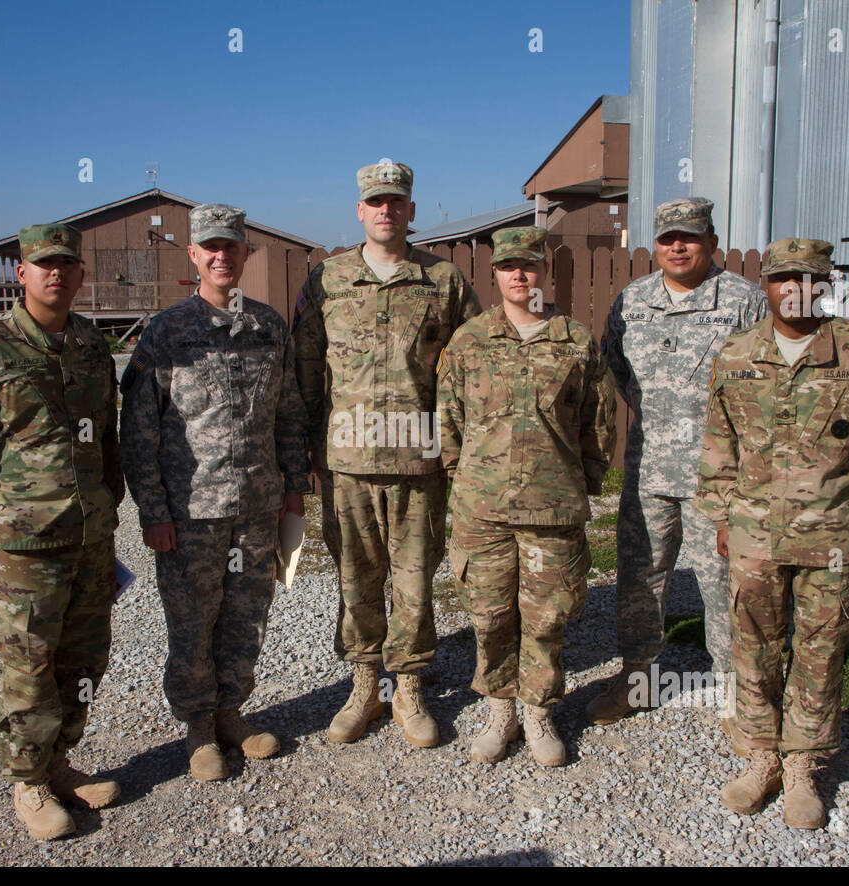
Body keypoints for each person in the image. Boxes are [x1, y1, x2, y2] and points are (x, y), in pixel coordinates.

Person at [696, 237, 849, 828]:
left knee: (822, 650)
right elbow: (719, 444)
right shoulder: (737, 354)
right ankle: (761, 755)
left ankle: (803, 764)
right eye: (783, 278)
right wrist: (722, 517)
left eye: (808, 279)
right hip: (754, 533)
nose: (795, 290)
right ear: (767, 284)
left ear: (826, 285)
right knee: (753, 646)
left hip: (834, 533)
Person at [0, 223, 124, 841]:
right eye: (43, 264)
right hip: (22, 543)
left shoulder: (92, 345)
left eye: (67, 263)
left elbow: (107, 437)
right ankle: (28, 782)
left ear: (80, 272)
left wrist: (110, 503)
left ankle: (59, 764)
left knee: (85, 659)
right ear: (22, 272)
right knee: (29, 667)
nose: (56, 273)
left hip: (90, 536)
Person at [293, 161, 480, 749]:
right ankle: (363, 683)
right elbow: (303, 368)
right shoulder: (327, 279)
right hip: (346, 459)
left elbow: (475, 364)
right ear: (359, 210)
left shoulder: (443, 281)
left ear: (411, 210)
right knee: (356, 576)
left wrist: (463, 442)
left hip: (418, 459)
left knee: (415, 579)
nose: (386, 211)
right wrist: (300, 447)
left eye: (396, 202)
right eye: (375, 202)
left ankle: (410, 687)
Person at [120, 204, 309, 781]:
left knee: (247, 618)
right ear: (195, 255)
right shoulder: (168, 331)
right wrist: (153, 511)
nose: (223, 256)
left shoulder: (269, 326)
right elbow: (139, 428)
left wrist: (294, 489)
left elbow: (288, 412)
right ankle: (198, 728)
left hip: (256, 507)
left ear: (245, 253)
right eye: (212, 247)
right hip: (191, 513)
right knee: (192, 623)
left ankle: (232, 713)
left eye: (233, 246)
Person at [589, 198, 768, 745]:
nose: (678, 247)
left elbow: (764, 386)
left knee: (722, 582)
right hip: (648, 470)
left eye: (689, 237)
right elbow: (614, 368)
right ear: (656, 244)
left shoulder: (744, 301)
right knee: (641, 576)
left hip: (720, 475)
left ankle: (736, 691)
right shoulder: (633, 301)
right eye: (668, 238)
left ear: (711, 239)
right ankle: (638, 676)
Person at [437, 227, 615, 766]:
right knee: (489, 615)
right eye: (509, 266)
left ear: (546, 271)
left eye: (530, 265)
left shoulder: (576, 340)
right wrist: (461, 476)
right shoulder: (469, 340)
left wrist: (581, 480)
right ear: (494, 274)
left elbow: (598, 421)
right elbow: (447, 418)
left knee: (546, 616)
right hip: (482, 510)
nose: (520, 275)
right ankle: (499, 711)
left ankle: (538, 710)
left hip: (552, 507)